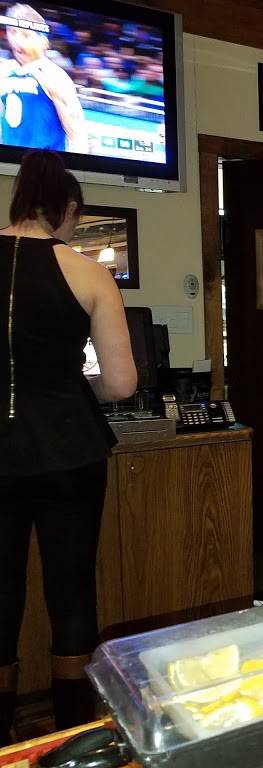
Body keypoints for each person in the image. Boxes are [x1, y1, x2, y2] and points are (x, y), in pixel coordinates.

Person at [0, 151, 136, 744]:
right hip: (69, 448)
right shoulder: (88, 273)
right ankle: (74, 735)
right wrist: (71, 386)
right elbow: (121, 384)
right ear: (68, 208)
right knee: (72, 589)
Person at [0, 4, 87, 153]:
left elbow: (77, 135)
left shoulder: (54, 75)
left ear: (42, 41)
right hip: (10, 163)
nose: (17, 41)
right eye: (13, 32)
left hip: (45, 165)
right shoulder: (4, 71)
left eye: (26, 35)